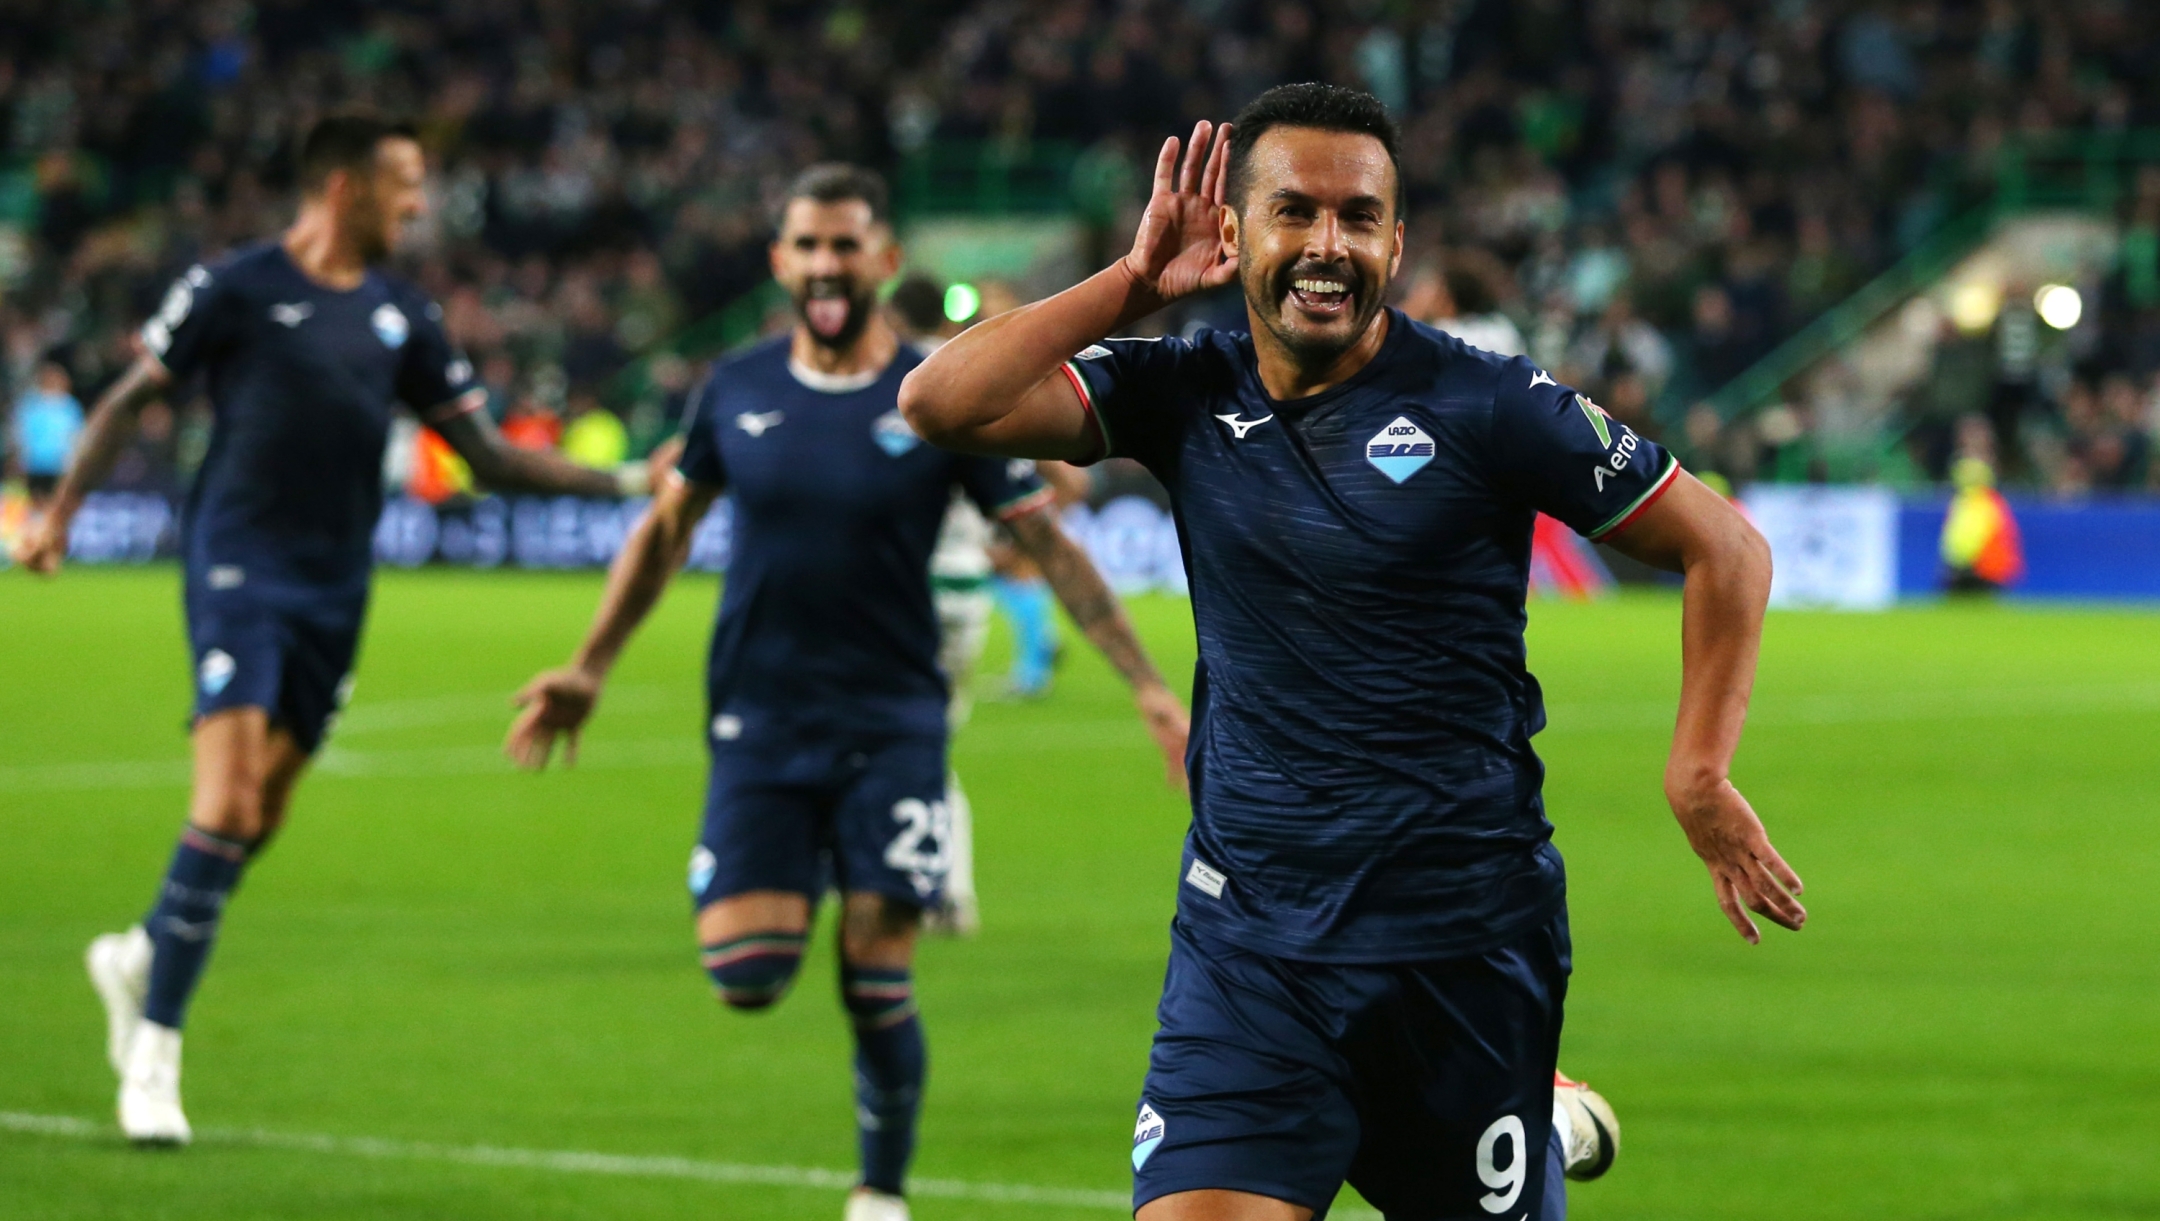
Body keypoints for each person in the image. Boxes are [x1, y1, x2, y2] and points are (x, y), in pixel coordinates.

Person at [899, 84, 1804, 1221]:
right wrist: (1128, 286)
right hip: (1250, 948)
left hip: (1459, 948)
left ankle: (1539, 1120)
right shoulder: (1183, 389)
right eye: (1294, 212)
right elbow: (937, 403)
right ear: (1235, 234)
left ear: (1396, 240)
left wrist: (1698, 773)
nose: (1327, 246)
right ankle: (1538, 1120)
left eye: (1358, 217)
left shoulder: (1488, 403)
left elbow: (1727, 548)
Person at [502, 164, 1189, 1221]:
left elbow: (1045, 541)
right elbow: (664, 533)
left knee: (877, 968)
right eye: (807, 247)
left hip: (893, 719)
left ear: (884, 261)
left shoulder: (936, 393)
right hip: (760, 717)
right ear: (781, 263)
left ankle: (880, 1192)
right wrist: (588, 667)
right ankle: (822, 852)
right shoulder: (734, 387)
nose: (826, 266)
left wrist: (1147, 687)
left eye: (845, 246)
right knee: (747, 971)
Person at [10, 114, 643, 1147]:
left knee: (260, 816)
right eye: (404, 186)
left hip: (337, 587)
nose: (417, 206)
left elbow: (485, 455)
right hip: (235, 569)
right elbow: (133, 396)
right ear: (345, 187)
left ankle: (137, 957)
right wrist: (59, 517)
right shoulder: (237, 285)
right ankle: (156, 1053)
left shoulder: (402, 313)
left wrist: (626, 478)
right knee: (223, 796)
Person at [11, 359, 85, 505]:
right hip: (35, 463)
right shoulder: (31, 405)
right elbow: (21, 434)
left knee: (56, 503)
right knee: (34, 501)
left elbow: (76, 436)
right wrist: (20, 458)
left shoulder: (70, 406)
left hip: (60, 464)